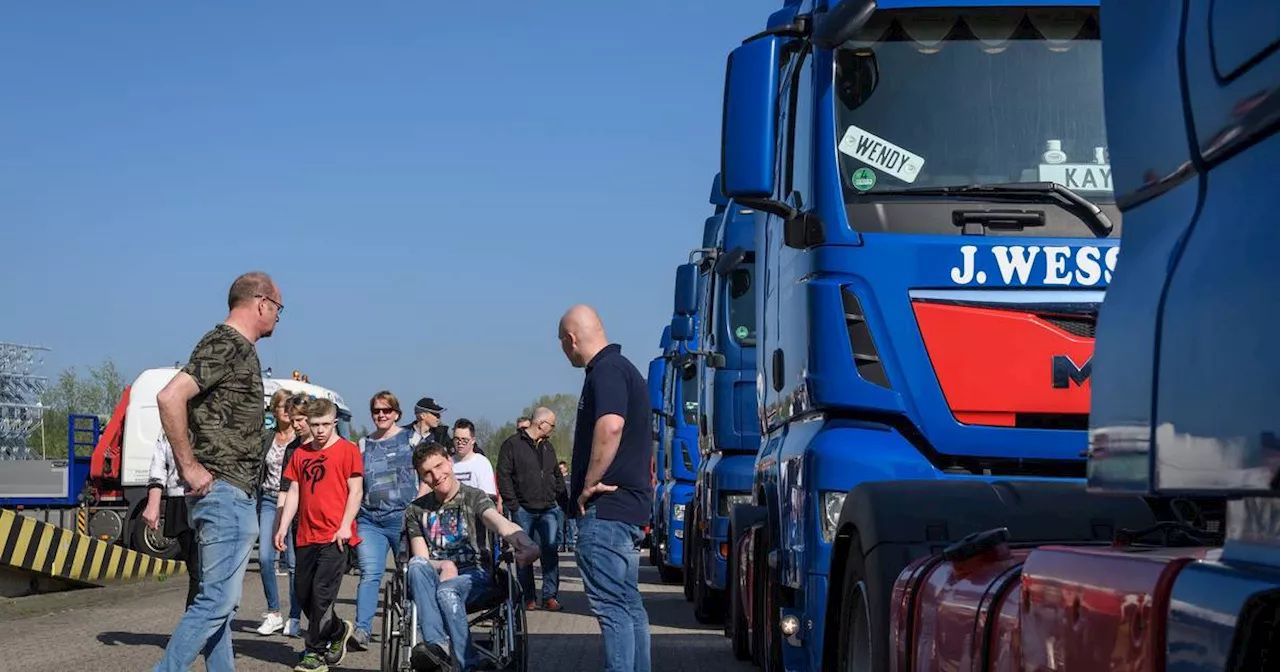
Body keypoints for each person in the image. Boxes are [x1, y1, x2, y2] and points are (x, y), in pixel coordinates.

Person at [152, 271, 282, 672]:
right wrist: (189, 467)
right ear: (261, 303)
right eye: (278, 308)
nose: (278, 316)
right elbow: (170, 396)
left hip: (233, 491)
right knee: (216, 603)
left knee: (220, 606)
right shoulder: (226, 343)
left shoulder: (239, 349)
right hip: (223, 491)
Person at [559, 304, 653, 672]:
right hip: (628, 509)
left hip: (607, 512)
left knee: (613, 610)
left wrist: (587, 484)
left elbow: (611, 426)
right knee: (629, 607)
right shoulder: (627, 369)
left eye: (562, 343)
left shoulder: (606, 370)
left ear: (571, 339)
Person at [404, 442, 539, 672]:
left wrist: (526, 543)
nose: (436, 476)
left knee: (447, 592)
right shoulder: (416, 510)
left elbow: (499, 523)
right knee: (416, 566)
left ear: (449, 460)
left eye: (439, 466)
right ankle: (438, 649)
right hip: (437, 578)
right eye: (427, 472)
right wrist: (444, 564)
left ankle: (469, 665)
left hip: (475, 577)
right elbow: (421, 558)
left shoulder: (474, 497)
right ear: (421, 478)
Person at [275, 397, 363, 671]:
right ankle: (337, 631)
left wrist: (346, 524)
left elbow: (356, 491)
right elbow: (294, 492)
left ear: (334, 421)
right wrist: (282, 526)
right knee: (303, 596)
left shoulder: (348, 451)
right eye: (315, 425)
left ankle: (313, 653)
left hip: (335, 537)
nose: (321, 430)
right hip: (304, 536)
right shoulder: (301, 454)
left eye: (325, 424)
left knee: (321, 595)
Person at [349, 390, 420, 651]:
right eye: (376, 411)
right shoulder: (363, 444)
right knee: (369, 573)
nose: (381, 415)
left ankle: (413, 624)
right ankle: (362, 630)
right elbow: (356, 485)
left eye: (386, 411)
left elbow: (428, 476)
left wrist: (417, 508)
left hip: (403, 519)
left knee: (410, 573)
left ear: (396, 414)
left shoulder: (411, 439)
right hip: (370, 520)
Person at [496, 406, 565, 611]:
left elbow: (556, 475)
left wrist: (562, 499)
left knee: (550, 551)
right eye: (552, 425)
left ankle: (550, 595)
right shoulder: (512, 445)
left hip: (548, 508)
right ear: (541, 424)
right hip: (523, 509)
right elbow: (504, 475)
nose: (553, 429)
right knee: (525, 554)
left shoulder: (548, 447)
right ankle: (528, 597)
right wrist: (513, 504)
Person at [255, 388, 302, 636]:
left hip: (294, 503)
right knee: (265, 557)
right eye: (282, 406)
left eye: (290, 406)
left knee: (293, 562)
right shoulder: (267, 439)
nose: (287, 410)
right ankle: (273, 612)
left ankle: (294, 616)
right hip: (270, 500)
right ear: (275, 410)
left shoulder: (301, 438)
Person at [142, 433, 200, 609]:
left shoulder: (211, 416)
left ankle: (197, 628)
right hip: (179, 499)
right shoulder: (169, 423)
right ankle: (195, 628)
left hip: (207, 497)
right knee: (195, 570)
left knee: (203, 571)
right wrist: (153, 504)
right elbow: (159, 464)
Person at [451, 418, 497, 498]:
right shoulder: (448, 463)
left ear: (473, 440)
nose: (460, 443)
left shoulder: (482, 463)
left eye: (464, 440)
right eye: (457, 439)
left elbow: (488, 496)